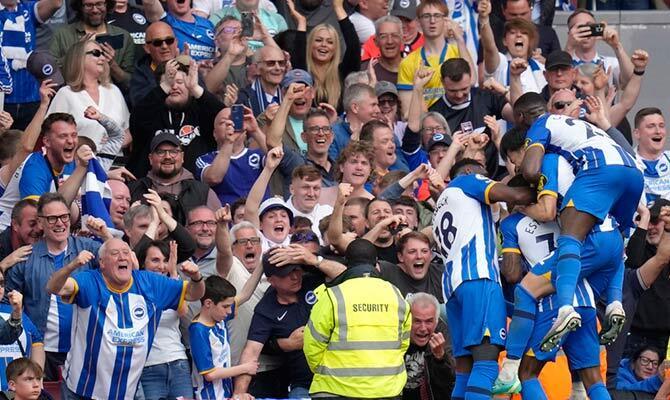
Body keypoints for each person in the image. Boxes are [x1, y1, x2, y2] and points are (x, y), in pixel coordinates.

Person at [515, 92, 643, 348]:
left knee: (570, 238)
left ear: (520, 117)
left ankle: (564, 308)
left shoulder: (542, 125)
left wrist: (522, 180)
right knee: (618, 235)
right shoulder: (579, 126)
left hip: (601, 168)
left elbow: (530, 171)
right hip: (632, 171)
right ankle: (615, 303)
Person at [46, 238, 205, 400]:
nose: (122, 257)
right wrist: (72, 266)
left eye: (126, 252)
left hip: (124, 393)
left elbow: (193, 293)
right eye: (115, 253)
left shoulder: (151, 283)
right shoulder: (89, 281)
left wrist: (196, 277)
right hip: (82, 389)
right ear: (102, 263)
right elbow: (54, 287)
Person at [431, 158, 534, 399]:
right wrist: (552, 191)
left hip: (453, 288)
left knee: (465, 369)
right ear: (469, 172)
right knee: (487, 364)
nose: (490, 179)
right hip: (479, 277)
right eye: (485, 174)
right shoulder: (467, 181)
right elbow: (514, 195)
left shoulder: (441, 206)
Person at [5, 193, 107, 382]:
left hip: (84, 347)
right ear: (41, 223)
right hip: (41, 350)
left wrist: (106, 235)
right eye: (52, 218)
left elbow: (126, 264)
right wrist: (3, 265)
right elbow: (6, 304)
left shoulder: (88, 248)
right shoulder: (25, 258)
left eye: (64, 217)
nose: (60, 223)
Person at [303, 238, 411, 398]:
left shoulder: (333, 295)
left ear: (346, 263)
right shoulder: (396, 295)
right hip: (386, 390)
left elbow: (312, 343)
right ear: (376, 263)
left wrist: (325, 369)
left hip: (335, 389)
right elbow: (403, 342)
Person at [232, 246, 345, 399]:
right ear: (271, 280)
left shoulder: (313, 281)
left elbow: (348, 276)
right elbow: (251, 352)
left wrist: (313, 260)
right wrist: (239, 393)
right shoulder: (267, 309)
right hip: (305, 385)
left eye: (296, 269)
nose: (295, 277)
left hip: (341, 379)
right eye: (286, 274)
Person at [128, 57, 224, 177]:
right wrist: (164, 88)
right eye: (169, 82)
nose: (174, 87)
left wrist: (195, 88)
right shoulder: (150, 112)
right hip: (149, 188)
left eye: (180, 82)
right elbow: (138, 117)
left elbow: (223, 117)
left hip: (194, 190)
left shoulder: (201, 112)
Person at [190, 274, 263, 400]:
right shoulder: (198, 330)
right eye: (225, 306)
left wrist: (262, 265)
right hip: (208, 395)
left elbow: (245, 294)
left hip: (225, 392)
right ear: (208, 303)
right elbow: (210, 374)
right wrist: (244, 368)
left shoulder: (219, 317)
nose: (230, 311)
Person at [136, 241, 192, 400]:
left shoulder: (174, 282)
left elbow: (183, 311)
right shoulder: (135, 286)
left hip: (178, 363)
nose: (161, 266)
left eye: (166, 260)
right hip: (148, 368)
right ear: (143, 263)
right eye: (155, 260)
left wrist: (173, 272)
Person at [47, 39, 130, 148]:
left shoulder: (114, 90)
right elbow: (50, 132)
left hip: (115, 162)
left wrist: (115, 144)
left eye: (103, 54)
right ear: (79, 58)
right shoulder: (65, 94)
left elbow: (128, 131)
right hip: (79, 162)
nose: (103, 58)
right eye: (96, 53)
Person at [396, 0, 469, 116]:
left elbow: (472, 81)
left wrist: (459, 39)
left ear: (446, 21)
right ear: (418, 22)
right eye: (426, 16)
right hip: (426, 127)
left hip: (460, 120)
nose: (432, 21)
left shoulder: (458, 52)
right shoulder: (407, 63)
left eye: (437, 16)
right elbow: (406, 114)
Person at [128, 133, 221, 224]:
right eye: (160, 152)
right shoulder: (134, 189)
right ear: (151, 158)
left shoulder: (202, 191)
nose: (167, 157)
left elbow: (218, 227)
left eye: (173, 152)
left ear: (182, 157)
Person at [0, 0, 62, 130]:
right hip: (3, 98)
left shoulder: (27, 7)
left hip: (31, 96)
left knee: (28, 145)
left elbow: (55, 3)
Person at [49, 0, 135, 86]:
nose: (95, 10)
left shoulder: (124, 36)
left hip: (111, 96)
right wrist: (75, 54)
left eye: (99, 4)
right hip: (74, 95)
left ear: (107, 4)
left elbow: (131, 82)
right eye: (88, 5)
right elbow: (51, 74)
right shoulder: (62, 35)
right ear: (80, 7)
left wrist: (112, 65)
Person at [196, 106, 266, 206]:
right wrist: (229, 142)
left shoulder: (258, 155)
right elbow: (214, 178)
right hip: (226, 218)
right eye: (224, 122)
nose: (231, 125)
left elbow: (278, 156)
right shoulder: (205, 159)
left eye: (234, 120)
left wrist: (255, 130)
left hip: (260, 216)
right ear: (215, 134)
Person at [297, 0, 360, 110]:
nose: (324, 45)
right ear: (310, 45)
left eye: (330, 42)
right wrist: (301, 24)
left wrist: (338, 8)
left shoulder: (341, 72)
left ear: (335, 48)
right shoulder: (303, 71)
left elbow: (354, 46)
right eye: (318, 40)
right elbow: (298, 54)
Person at [478, 0, 547, 96]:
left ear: (530, 40)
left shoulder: (541, 67)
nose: (518, 35)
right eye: (513, 33)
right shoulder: (500, 63)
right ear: (505, 41)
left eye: (524, 33)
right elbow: (489, 48)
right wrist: (484, 18)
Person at [403, 293, 454, 400]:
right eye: (417, 321)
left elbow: (449, 382)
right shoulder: (397, 335)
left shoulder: (443, 335)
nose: (423, 328)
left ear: (436, 322)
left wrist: (440, 358)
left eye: (429, 321)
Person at [376, 231, 445, 303]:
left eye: (424, 251)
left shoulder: (442, 274)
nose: (419, 256)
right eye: (412, 251)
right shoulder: (387, 272)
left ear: (430, 255)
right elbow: (364, 261)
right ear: (400, 256)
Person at [143, 0, 215, 62]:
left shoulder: (208, 24)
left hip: (211, 74)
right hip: (179, 74)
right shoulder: (164, 20)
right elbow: (149, 2)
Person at [129, 21, 179, 106]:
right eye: (157, 43)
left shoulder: (187, 67)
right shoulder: (140, 74)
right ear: (147, 48)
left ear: (176, 43)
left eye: (169, 41)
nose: (164, 46)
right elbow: (140, 105)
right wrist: (165, 85)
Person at [208, 0, 287, 52]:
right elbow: (212, 52)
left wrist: (266, 38)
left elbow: (285, 55)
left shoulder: (277, 19)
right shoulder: (218, 17)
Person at [635, 108, 669, 204]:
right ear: (637, 133)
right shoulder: (627, 162)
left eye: (661, 126)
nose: (658, 131)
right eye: (651, 126)